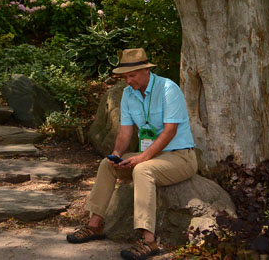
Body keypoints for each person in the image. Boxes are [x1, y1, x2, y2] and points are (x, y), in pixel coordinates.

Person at [67, 48, 197, 260]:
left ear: (146, 70)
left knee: (143, 170)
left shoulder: (168, 89)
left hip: (180, 156)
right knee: (106, 165)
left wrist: (141, 158)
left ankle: (148, 241)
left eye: (132, 75)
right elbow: (125, 131)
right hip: (152, 155)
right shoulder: (128, 94)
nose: (128, 81)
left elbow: (170, 131)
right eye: (125, 76)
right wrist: (117, 154)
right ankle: (94, 225)